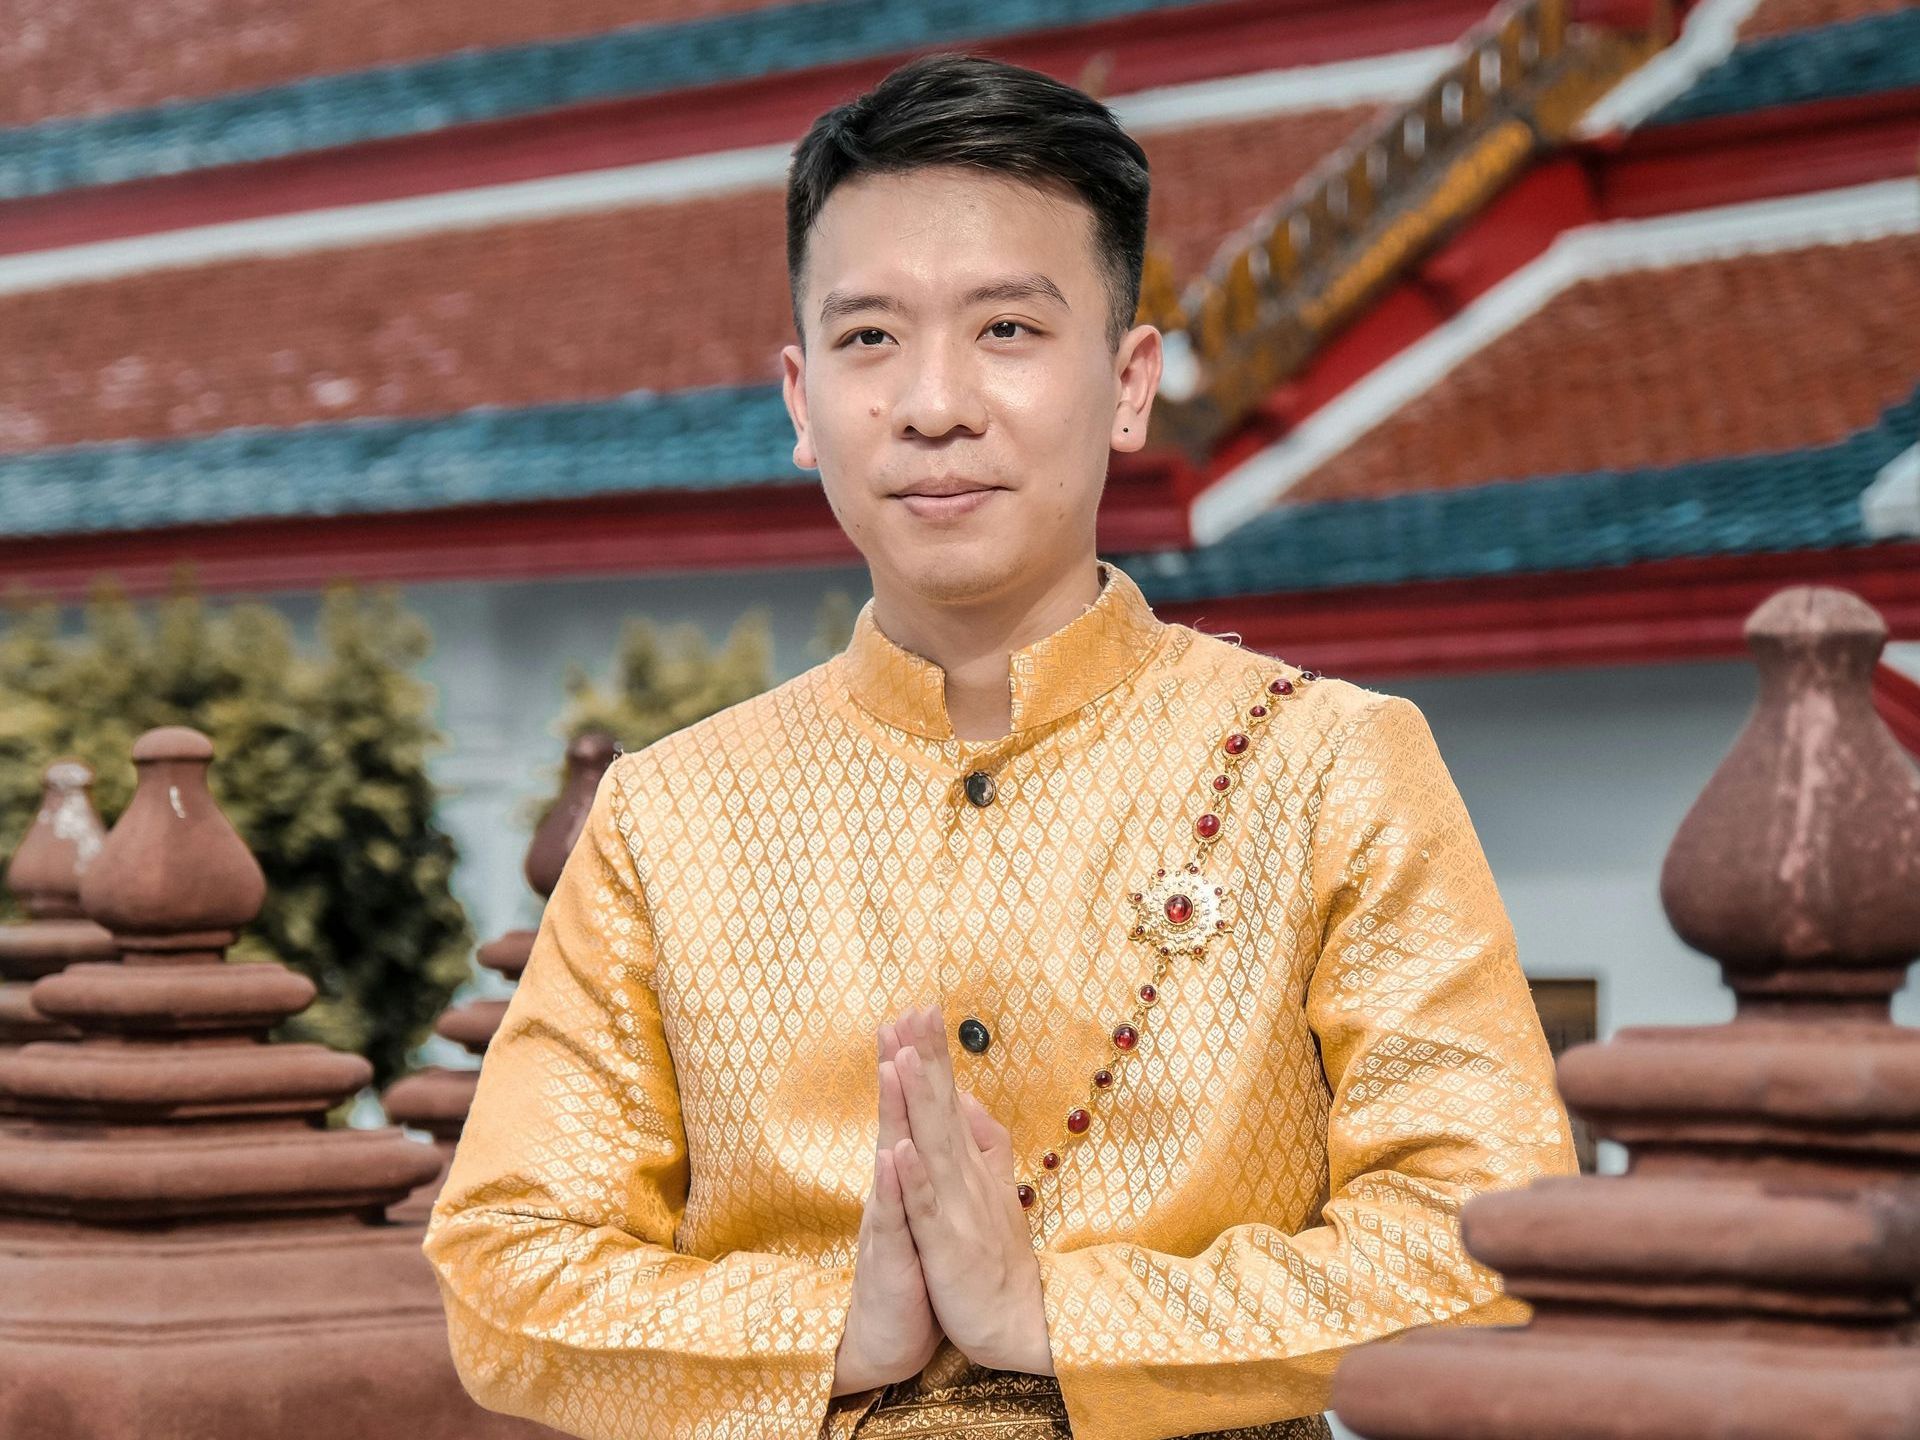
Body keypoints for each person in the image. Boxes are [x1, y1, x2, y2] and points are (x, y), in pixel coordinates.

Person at [420, 51, 1579, 1440]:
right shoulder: (672, 817)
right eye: (868, 340)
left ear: (1131, 381)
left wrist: (1053, 1321)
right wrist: (827, 1333)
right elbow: (505, 1269)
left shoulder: (1329, 769)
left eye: (1010, 331)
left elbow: (1478, 1241)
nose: (933, 404)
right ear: (800, 401)